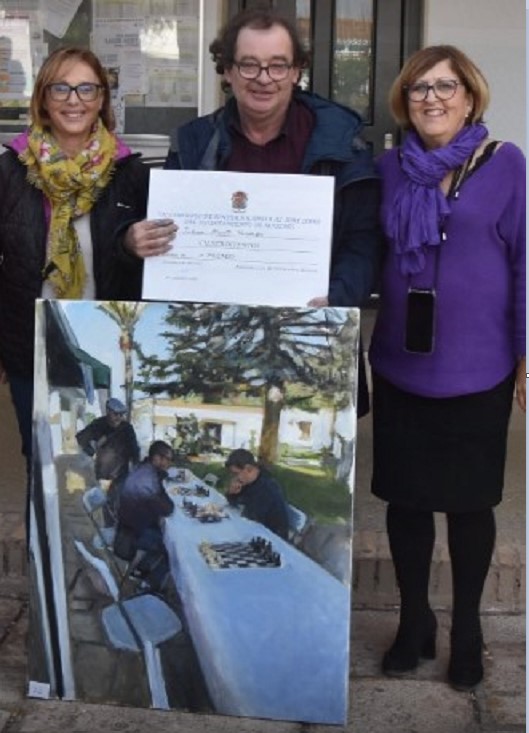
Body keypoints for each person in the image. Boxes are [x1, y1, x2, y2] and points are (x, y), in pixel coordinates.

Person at [368, 45, 525, 692]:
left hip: (479, 363)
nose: (430, 98)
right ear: (403, 102)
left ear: (469, 96)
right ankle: (413, 621)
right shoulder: (387, 169)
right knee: (404, 501)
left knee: (467, 504)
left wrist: (525, 355)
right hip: (402, 362)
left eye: (444, 86)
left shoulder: (505, 164)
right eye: (417, 89)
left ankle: (467, 627)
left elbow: (523, 265)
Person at [164, 7, 380, 417]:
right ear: (226, 70)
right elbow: (167, 237)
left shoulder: (342, 143)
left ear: (297, 71)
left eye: (278, 65)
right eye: (249, 65)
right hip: (218, 338)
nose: (264, 78)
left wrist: (338, 298)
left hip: (311, 333)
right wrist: (134, 238)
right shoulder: (193, 143)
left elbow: (364, 240)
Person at [0, 46, 177, 493]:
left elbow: (156, 262)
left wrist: (131, 244)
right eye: (61, 87)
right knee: (40, 454)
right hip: (31, 345)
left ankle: (103, 553)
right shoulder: (9, 171)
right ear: (42, 98)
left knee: (99, 454)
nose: (73, 99)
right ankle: (50, 561)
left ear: (102, 99)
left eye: (86, 88)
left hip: (98, 348)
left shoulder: (131, 174)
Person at [114, 440, 175, 591]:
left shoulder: (144, 469)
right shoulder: (147, 478)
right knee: (172, 547)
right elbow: (167, 508)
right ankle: (147, 585)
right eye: (166, 459)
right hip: (131, 535)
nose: (168, 463)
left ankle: (141, 571)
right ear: (156, 458)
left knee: (167, 537)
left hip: (129, 525)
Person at [76, 397, 139, 521]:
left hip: (121, 475)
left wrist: (136, 466)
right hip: (102, 475)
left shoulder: (127, 428)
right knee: (101, 508)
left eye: (121, 414)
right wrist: (91, 450)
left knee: (116, 505)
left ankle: (114, 530)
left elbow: (135, 450)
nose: (119, 418)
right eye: (116, 414)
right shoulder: (98, 425)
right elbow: (80, 438)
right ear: (108, 412)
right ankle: (105, 529)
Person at [225, 448, 289, 540]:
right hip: (255, 529)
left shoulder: (266, 487)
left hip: (272, 538)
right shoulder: (248, 481)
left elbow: (252, 517)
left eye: (236, 473)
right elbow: (235, 504)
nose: (235, 478)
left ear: (248, 469)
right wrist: (232, 493)